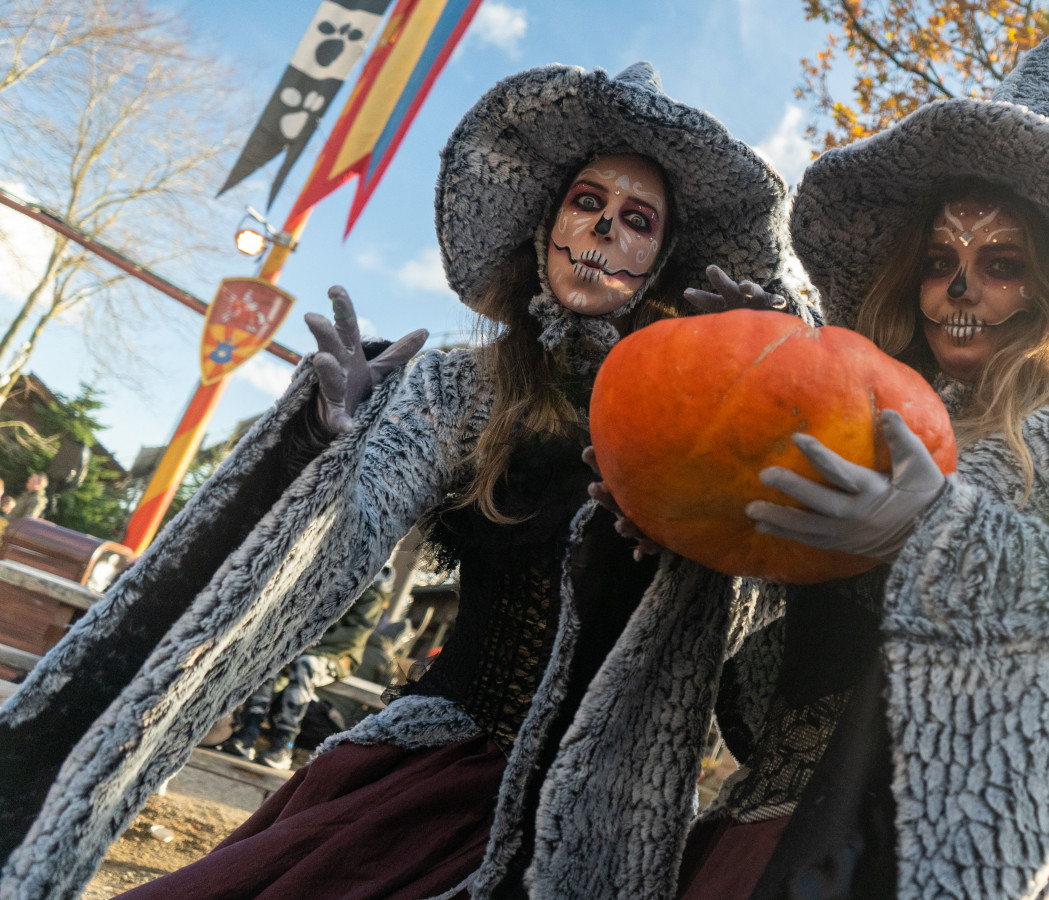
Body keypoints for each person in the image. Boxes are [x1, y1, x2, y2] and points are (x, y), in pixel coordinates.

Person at [0, 60, 798, 900]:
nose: (603, 230)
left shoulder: (703, 421)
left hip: (601, 828)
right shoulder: (466, 388)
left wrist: (763, 398)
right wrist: (319, 445)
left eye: (636, 220)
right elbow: (347, 531)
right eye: (587, 204)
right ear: (547, 226)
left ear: (663, 259)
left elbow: (757, 602)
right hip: (436, 789)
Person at [667, 31, 1049, 899]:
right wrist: (743, 384)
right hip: (755, 839)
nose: (958, 291)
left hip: (956, 859)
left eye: (999, 265)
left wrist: (943, 537)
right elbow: (749, 576)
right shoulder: (865, 405)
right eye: (940, 264)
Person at [218, 571, 392, 769]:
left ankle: (283, 746)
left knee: (305, 666)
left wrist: (301, 649)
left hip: (337, 656)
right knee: (271, 660)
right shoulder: (330, 575)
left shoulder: (371, 593)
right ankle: (247, 734)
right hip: (304, 649)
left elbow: (351, 637)